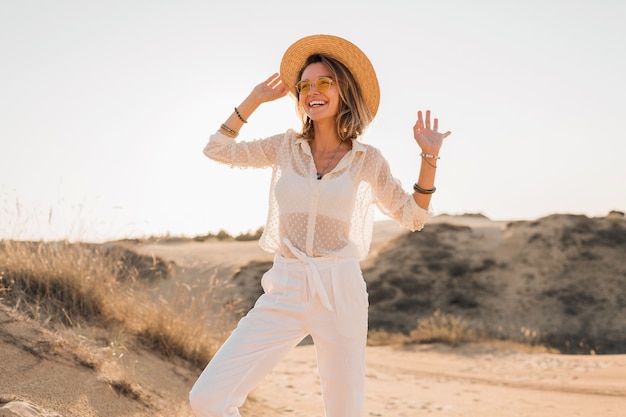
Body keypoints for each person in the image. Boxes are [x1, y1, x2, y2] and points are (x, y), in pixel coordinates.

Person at [189, 34, 452, 417]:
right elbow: (217, 150)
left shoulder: (366, 159)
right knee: (208, 398)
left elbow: (413, 216)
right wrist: (254, 100)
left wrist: (429, 157)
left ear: (344, 89)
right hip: (286, 286)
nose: (313, 91)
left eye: (324, 82)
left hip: (340, 290)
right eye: (305, 85)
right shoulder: (284, 147)